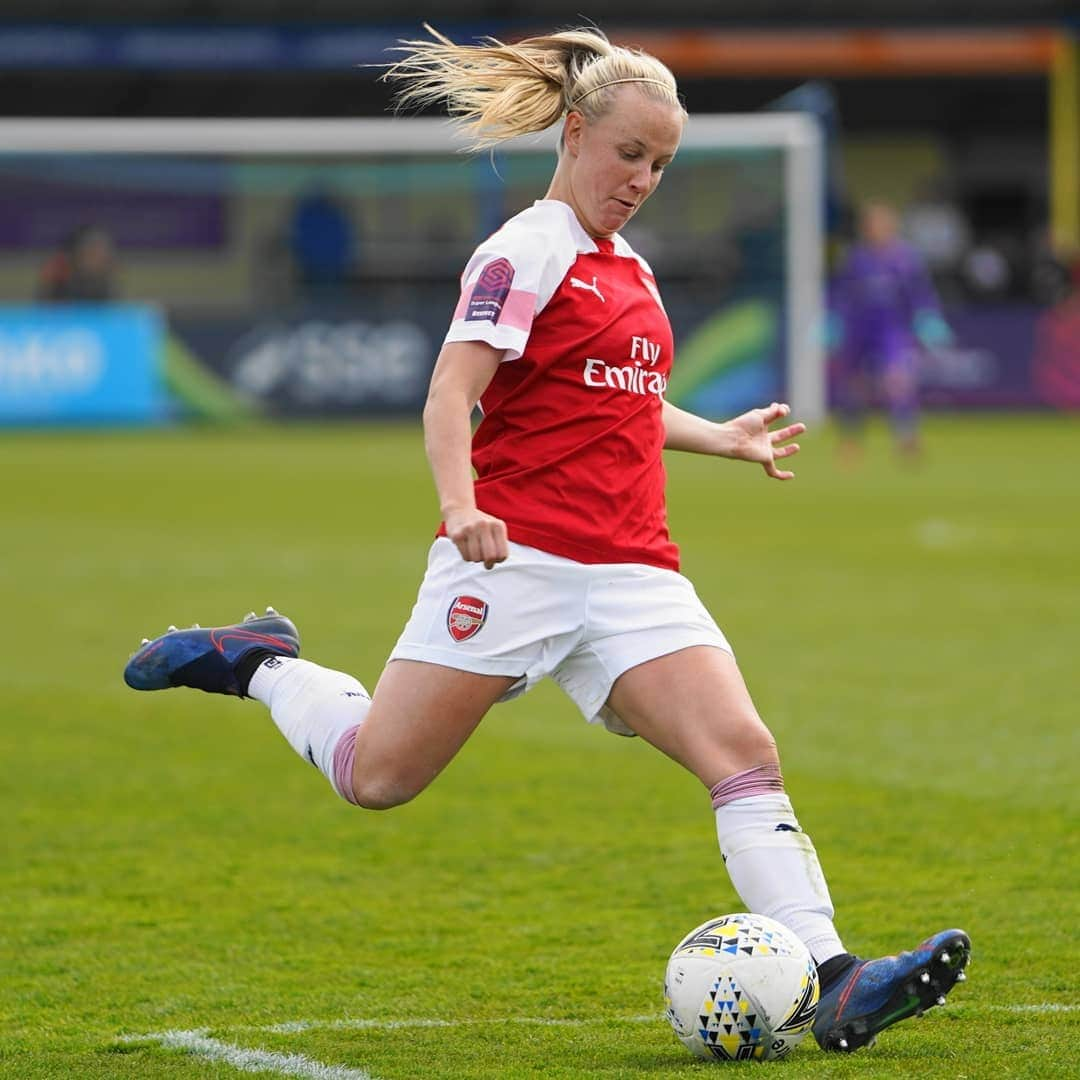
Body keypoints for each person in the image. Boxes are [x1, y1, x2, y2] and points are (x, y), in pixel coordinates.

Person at [124, 26, 969, 1054]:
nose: (643, 179)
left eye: (660, 164)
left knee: (744, 756)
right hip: (512, 561)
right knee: (377, 777)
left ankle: (835, 979)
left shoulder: (631, 270)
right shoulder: (521, 250)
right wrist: (463, 500)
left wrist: (723, 437)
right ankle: (258, 663)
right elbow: (451, 392)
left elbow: (626, 401)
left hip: (632, 568)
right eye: (629, 155)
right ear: (575, 133)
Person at [830, 200, 952, 460]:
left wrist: (928, 318)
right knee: (854, 387)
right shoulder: (856, 259)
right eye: (870, 225)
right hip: (858, 329)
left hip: (891, 330)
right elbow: (841, 294)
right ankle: (850, 441)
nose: (875, 230)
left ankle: (906, 438)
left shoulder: (905, 259)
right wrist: (833, 321)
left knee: (897, 382)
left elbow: (920, 294)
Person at [36, 224, 117, 303]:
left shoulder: (107, 289)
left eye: (103, 251)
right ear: (78, 253)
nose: (100, 256)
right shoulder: (57, 286)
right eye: (93, 250)